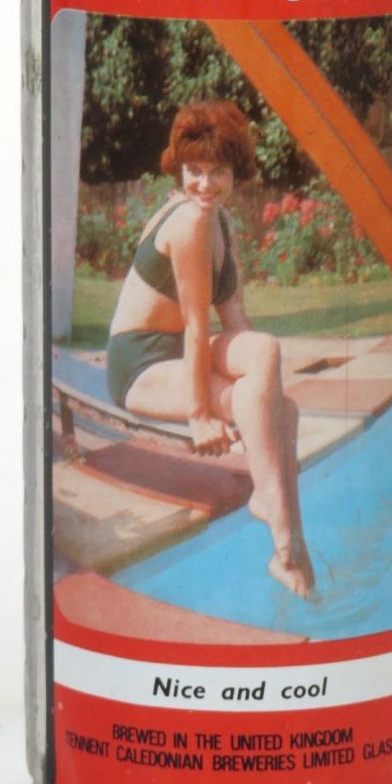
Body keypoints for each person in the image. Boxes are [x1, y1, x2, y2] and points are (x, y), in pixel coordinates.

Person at [107, 100, 315, 598]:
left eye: (217, 171)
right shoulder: (189, 221)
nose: (204, 184)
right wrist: (201, 416)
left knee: (276, 394)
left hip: (179, 354)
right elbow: (197, 325)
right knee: (267, 408)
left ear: (235, 173)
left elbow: (234, 318)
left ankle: (288, 545)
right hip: (140, 364)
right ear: (179, 168)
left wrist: (265, 400)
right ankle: (282, 527)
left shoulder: (220, 223)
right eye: (194, 170)